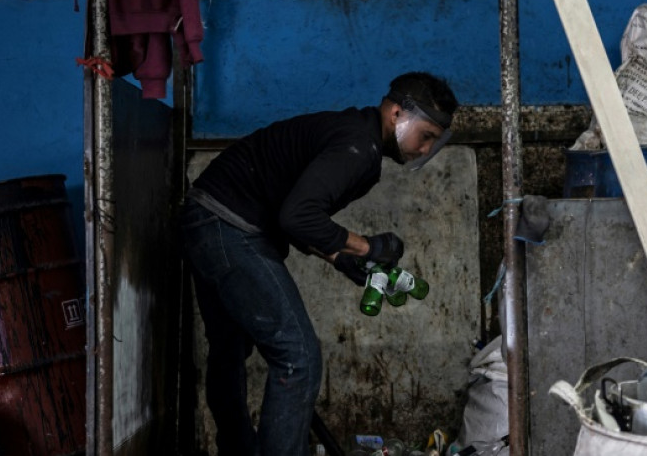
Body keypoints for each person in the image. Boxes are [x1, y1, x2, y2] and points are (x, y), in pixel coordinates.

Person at [179, 71, 459, 456]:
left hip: (206, 218)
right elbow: (298, 216)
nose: (426, 150)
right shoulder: (359, 148)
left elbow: (293, 216)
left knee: (229, 349)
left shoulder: (356, 138)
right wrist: (366, 246)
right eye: (426, 136)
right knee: (299, 357)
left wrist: (338, 256)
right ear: (397, 113)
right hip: (230, 225)